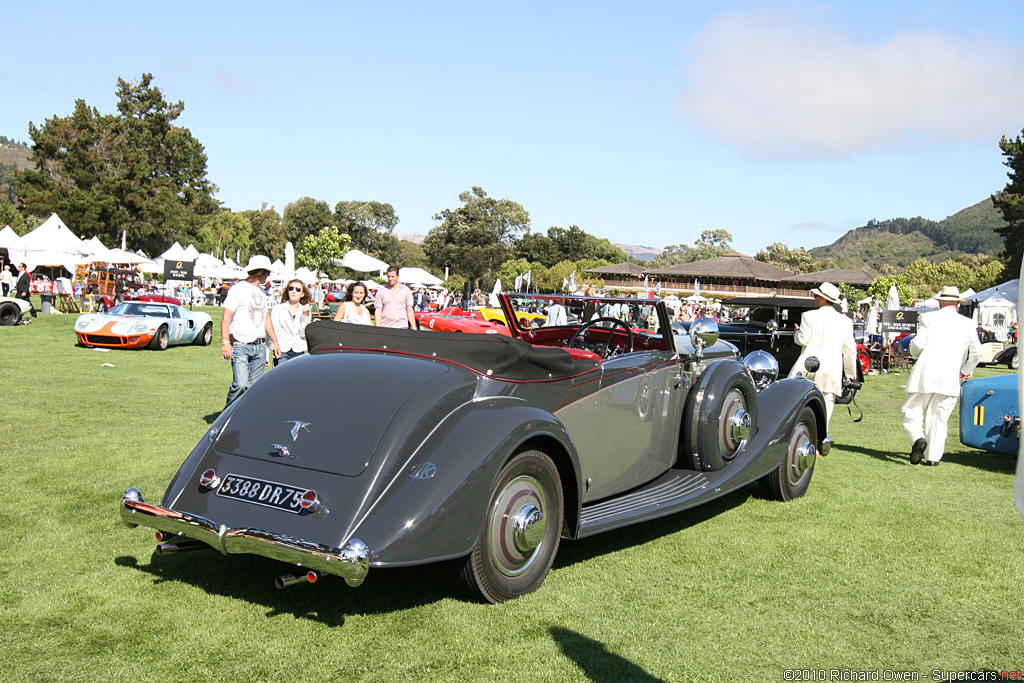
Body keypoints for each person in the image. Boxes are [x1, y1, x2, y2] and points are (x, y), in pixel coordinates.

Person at [902, 286, 982, 466]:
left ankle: (917, 438)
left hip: (925, 373)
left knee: (912, 409)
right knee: (940, 416)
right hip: (951, 376)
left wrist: (913, 353)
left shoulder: (929, 318)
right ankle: (933, 458)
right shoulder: (968, 323)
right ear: (957, 304)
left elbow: (918, 343)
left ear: (940, 301)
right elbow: (977, 352)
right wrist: (965, 370)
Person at [787, 282, 857, 432]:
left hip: (807, 365)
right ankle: (819, 441)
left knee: (799, 402)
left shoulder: (809, 316)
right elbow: (850, 350)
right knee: (826, 405)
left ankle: (798, 435)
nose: (814, 297)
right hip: (831, 368)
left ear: (824, 299)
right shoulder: (845, 321)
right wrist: (851, 374)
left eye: (817, 295)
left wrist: (796, 333)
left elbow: (803, 340)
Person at [220, 255, 281, 407]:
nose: (268, 276)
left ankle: (246, 418)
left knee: (254, 388)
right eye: (267, 272)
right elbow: (226, 318)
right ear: (260, 272)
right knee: (240, 384)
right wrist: (225, 343)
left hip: (259, 346)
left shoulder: (261, 292)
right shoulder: (237, 290)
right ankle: (227, 418)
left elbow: (266, 318)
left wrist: (274, 342)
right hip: (240, 345)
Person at [269, 279, 312, 366]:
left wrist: (305, 315)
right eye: (291, 288)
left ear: (302, 294)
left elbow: (303, 334)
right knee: (281, 377)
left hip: (298, 349)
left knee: (297, 378)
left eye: (298, 289)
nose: (294, 291)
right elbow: (273, 331)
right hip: (282, 349)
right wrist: (270, 350)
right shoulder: (278, 309)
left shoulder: (305, 310)